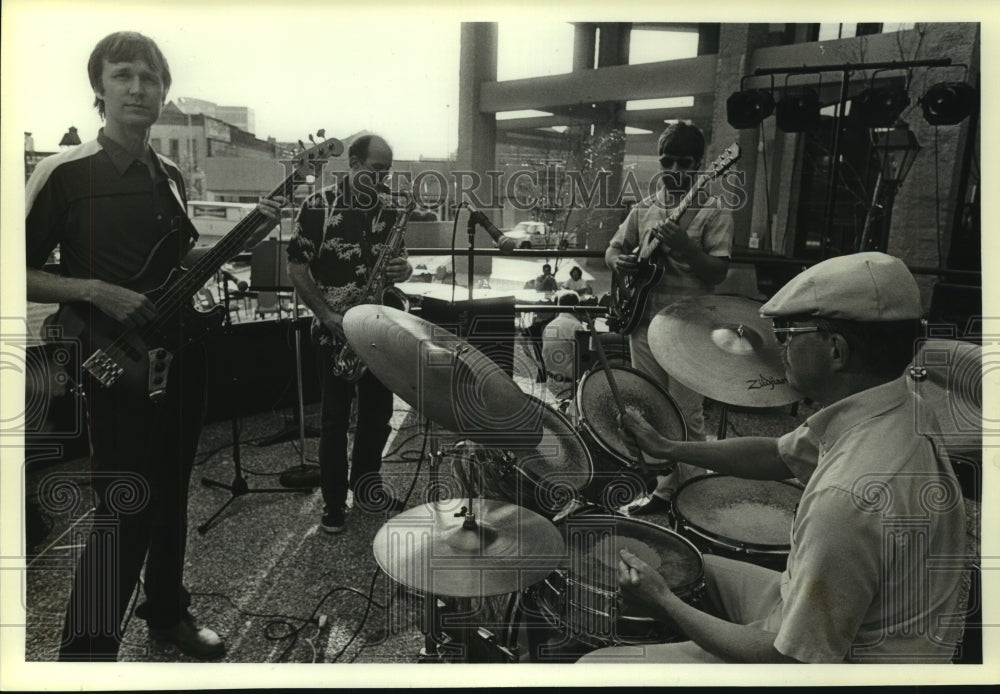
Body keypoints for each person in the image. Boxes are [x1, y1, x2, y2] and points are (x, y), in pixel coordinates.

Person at [25, 31, 281, 661]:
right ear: (99, 88)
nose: (138, 88)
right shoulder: (64, 172)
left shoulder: (168, 174)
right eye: (123, 76)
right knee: (124, 510)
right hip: (113, 361)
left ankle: (167, 614)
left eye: (150, 77)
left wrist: (248, 235)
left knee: (171, 492)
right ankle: (83, 657)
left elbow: (168, 261)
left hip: (176, 356)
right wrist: (96, 290)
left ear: (164, 90)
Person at [579, 252, 966, 663]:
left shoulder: (848, 498)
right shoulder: (897, 406)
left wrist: (664, 604)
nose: (779, 346)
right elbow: (777, 454)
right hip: (847, 617)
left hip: (850, 667)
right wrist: (669, 448)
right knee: (694, 566)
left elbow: (787, 661)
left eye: (788, 333)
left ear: (835, 350)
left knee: (597, 665)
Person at [605, 121, 733, 515]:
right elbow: (612, 250)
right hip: (642, 322)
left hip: (689, 330)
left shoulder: (714, 211)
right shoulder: (643, 209)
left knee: (688, 414)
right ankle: (663, 491)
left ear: (701, 165)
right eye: (667, 161)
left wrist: (687, 250)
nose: (674, 169)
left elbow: (717, 272)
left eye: (684, 162)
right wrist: (621, 262)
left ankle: (693, 498)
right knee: (651, 407)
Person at [286, 134, 413, 534]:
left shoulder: (390, 209)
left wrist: (403, 269)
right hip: (335, 330)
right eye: (376, 171)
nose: (382, 180)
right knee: (335, 420)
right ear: (353, 165)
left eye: (387, 172)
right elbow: (296, 268)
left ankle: (367, 488)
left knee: (377, 417)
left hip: (380, 327)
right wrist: (326, 316)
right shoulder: (318, 206)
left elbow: (400, 260)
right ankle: (333, 503)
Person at [541, 290, 585, 402]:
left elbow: (546, 353)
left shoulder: (550, 325)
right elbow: (582, 360)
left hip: (551, 382)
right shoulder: (576, 326)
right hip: (568, 386)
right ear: (577, 306)